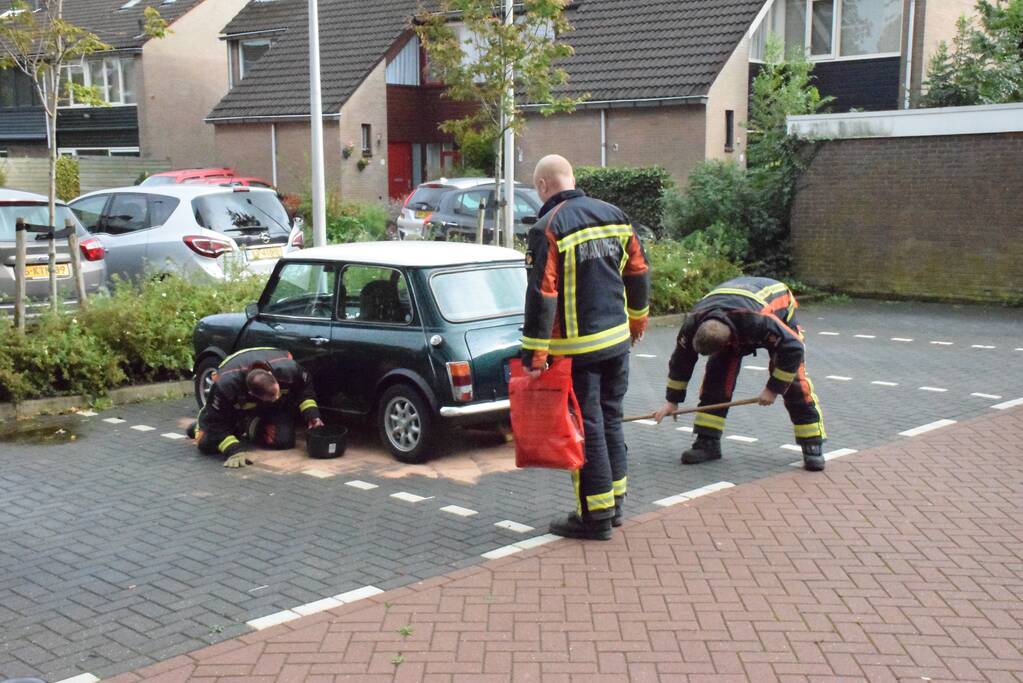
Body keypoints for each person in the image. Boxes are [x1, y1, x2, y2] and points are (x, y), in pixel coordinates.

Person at [521, 154, 650, 540]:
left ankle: (594, 517)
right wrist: (638, 320)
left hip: (577, 350)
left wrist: (534, 354)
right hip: (616, 342)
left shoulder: (548, 227)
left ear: (544, 186)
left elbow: (543, 294)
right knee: (610, 417)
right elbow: (639, 272)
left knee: (586, 424)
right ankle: (615, 505)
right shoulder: (615, 215)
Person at [653, 277, 826, 471]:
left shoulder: (758, 321)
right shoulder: (693, 323)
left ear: (728, 341)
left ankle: (812, 442)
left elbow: (794, 348)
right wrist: (672, 400)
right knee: (716, 377)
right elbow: (681, 361)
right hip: (732, 314)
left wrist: (773, 389)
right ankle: (707, 441)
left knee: (793, 381)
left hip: (774, 307)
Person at [188, 348, 324, 468]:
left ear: (272, 376)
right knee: (207, 444)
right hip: (231, 411)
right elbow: (215, 422)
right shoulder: (225, 386)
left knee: (283, 440)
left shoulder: (289, 369)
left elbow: (305, 389)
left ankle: (248, 426)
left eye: (277, 393)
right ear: (252, 394)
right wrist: (233, 450)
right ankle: (198, 428)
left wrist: (312, 416)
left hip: (263, 407)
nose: (277, 397)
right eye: (272, 397)